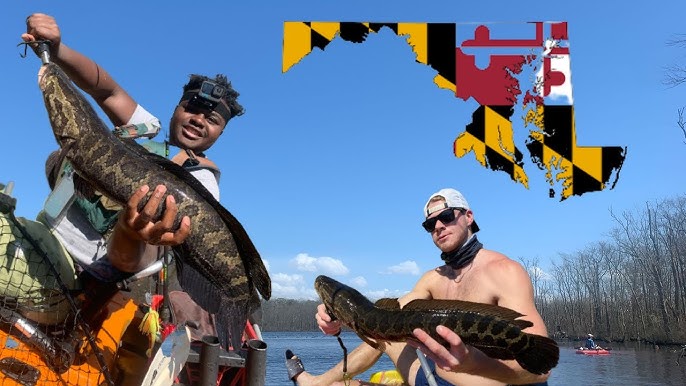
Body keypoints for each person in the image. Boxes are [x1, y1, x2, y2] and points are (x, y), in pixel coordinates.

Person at [22, 12, 246, 384]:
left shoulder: (201, 181)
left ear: (221, 133)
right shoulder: (144, 131)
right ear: (177, 106)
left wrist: (131, 230)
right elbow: (105, 89)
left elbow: (140, 257)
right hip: (46, 245)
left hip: (102, 282)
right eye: (191, 107)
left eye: (212, 119)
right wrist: (58, 50)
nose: (198, 119)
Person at [287, 188, 552, 385]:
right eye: (429, 224)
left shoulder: (504, 271)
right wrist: (338, 314)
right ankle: (316, 383)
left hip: (484, 379)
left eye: (447, 216)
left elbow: (542, 369)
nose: (438, 226)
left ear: (468, 217)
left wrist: (474, 364)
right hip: (436, 380)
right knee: (384, 340)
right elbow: (384, 317)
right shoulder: (432, 278)